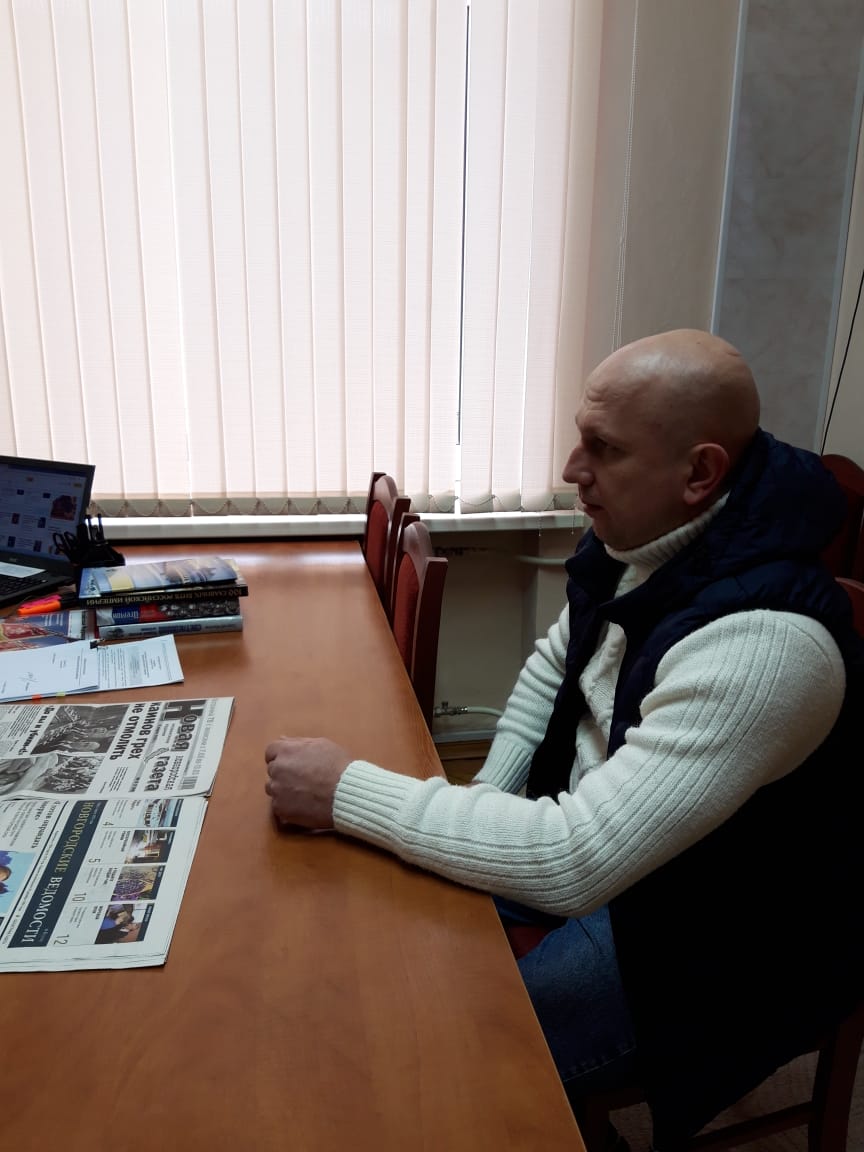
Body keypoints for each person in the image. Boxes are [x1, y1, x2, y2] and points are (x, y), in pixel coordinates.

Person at [264, 329, 864, 1149]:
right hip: (619, 853)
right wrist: (487, 795)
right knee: (372, 937)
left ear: (699, 473)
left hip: (714, 935)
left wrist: (345, 790)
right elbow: (557, 664)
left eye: (603, 449)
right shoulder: (640, 539)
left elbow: (574, 861)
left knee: (419, 1048)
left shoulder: (766, 647)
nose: (571, 468)